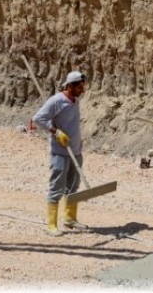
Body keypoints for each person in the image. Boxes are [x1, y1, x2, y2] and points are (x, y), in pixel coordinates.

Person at [32, 70, 86, 235]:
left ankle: (70, 219)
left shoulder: (75, 100)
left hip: (75, 150)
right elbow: (38, 118)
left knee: (73, 185)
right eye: (80, 87)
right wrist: (56, 132)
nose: (82, 90)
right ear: (70, 85)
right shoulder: (56, 101)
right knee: (57, 186)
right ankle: (51, 225)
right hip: (60, 152)